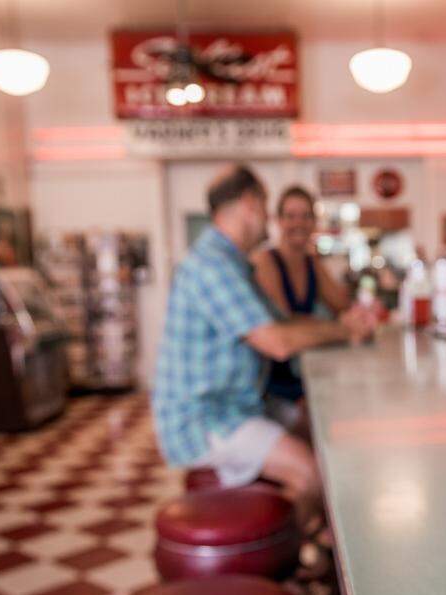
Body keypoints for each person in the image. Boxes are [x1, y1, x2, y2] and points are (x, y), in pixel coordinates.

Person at [152, 165, 371, 524]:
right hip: (206, 419)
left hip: (237, 404)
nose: (269, 220)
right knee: (312, 471)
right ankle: (282, 557)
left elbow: (284, 323)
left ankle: (319, 543)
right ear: (249, 203)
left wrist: (342, 325)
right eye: (267, 207)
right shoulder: (211, 265)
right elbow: (277, 342)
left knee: (315, 428)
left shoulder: (235, 265)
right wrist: (345, 331)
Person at [252, 185, 352, 405]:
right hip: (271, 386)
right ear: (278, 221)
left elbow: (342, 305)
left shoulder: (311, 262)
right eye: (290, 216)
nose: (299, 223)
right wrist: (340, 329)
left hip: (305, 376)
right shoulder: (265, 261)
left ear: (315, 222)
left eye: (306, 216)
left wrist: (353, 316)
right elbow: (284, 323)